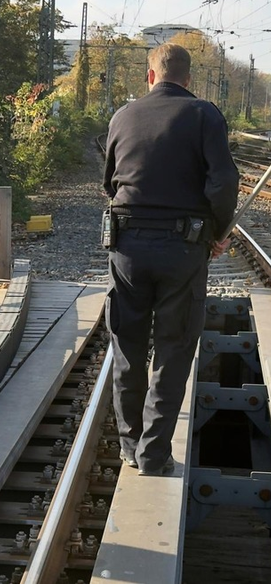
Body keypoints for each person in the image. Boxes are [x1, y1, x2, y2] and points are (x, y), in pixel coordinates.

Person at [102, 43, 238, 477]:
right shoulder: (204, 114)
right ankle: (154, 455)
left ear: (150, 76)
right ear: (188, 79)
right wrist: (216, 233)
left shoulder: (123, 116)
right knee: (174, 347)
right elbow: (223, 182)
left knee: (128, 344)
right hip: (183, 249)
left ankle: (129, 445)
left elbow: (110, 183)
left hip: (126, 248)